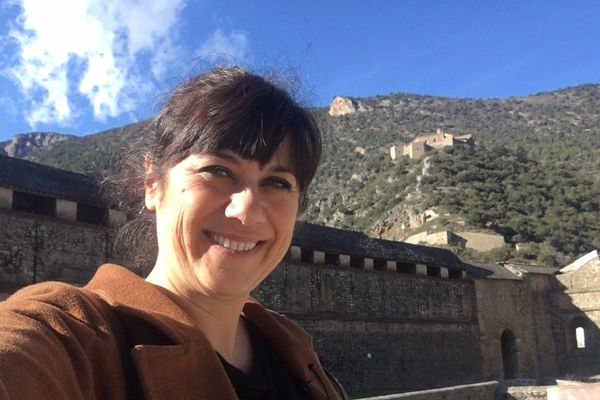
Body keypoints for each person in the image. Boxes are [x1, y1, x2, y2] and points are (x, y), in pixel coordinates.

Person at [0, 66, 344, 399]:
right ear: (153, 184)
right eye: (218, 170)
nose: (247, 211)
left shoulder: (296, 352)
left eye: (277, 182)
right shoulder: (73, 337)